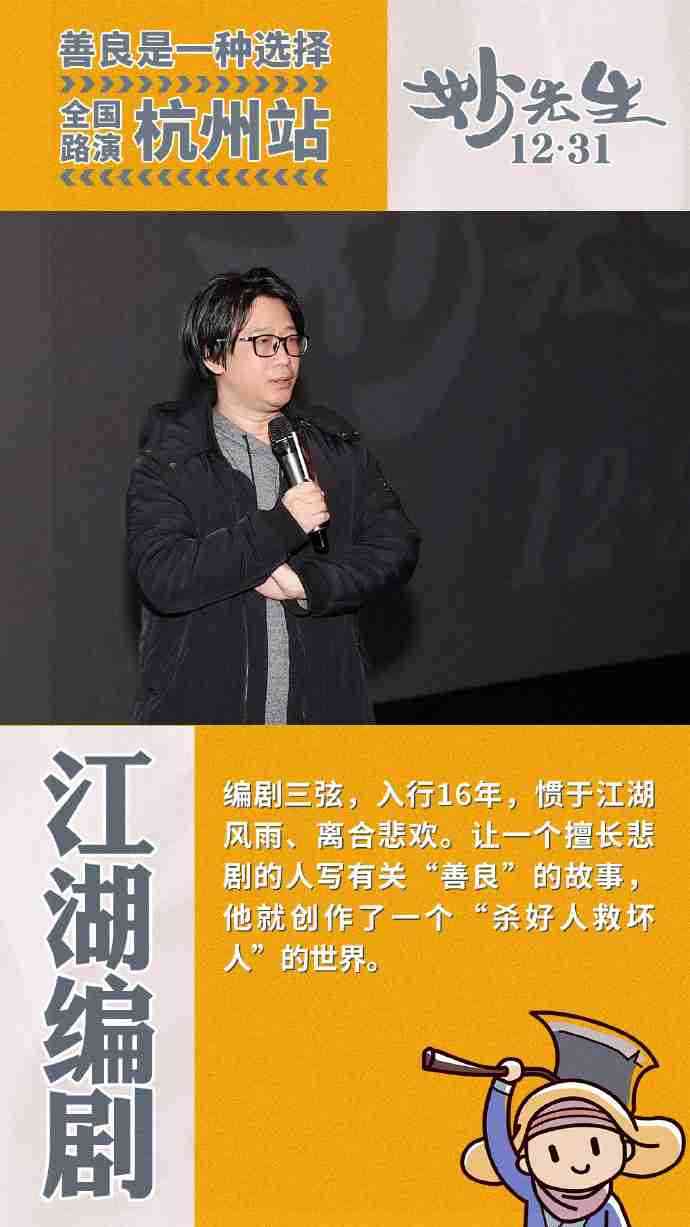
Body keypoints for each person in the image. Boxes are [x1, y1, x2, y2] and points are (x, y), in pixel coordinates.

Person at [126, 266, 420, 723]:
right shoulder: (170, 461)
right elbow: (164, 577)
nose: (284, 358)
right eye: (264, 343)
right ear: (213, 355)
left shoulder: (334, 448)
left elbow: (396, 547)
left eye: (291, 341)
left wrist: (313, 586)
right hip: (206, 730)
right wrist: (282, 526)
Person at [460, 1011, 684, 1227]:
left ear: (625, 1150)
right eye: (554, 1154)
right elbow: (499, 1147)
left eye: (595, 1148)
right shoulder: (532, 1190)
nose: (579, 1165)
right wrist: (502, 1087)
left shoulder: (608, 1211)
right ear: (526, 1161)